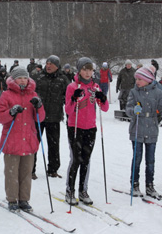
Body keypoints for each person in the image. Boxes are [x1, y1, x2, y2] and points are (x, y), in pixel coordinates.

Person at [0, 66, 45, 212]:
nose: (23, 80)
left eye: (25, 77)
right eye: (20, 78)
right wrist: (10, 112)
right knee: (12, 172)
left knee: (26, 172)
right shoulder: (6, 95)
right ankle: (12, 199)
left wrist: (39, 106)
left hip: (29, 140)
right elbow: (0, 117)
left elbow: (40, 118)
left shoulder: (33, 94)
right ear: (14, 79)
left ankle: (24, 199)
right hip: (12, 139)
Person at [125, 66, 162, 200]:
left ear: (148, 79)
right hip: (137, 129)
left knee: (150, 160)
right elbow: (128, 108)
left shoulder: (158, 93)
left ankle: (149, 185)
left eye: (140, 79)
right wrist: (133, 110)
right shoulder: (134, 92)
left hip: (152, 129)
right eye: (136, 79)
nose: (137, 82)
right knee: (137, 159)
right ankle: (134, 184)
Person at [64, 57, 109, 205]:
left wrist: (102, 98)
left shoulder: (95, 86)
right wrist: (74, 97)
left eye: (90, 70)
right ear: (79, 70)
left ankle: (83, 190)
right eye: (85, 69)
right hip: (75, 127)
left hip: (90, 128)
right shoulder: (72, 86)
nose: (88, 73)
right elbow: (69, 110)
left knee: (86, 160)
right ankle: (70, 190)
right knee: (76, 159)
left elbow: (105, 108)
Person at [32, 55, 70, 179]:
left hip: (54, 116)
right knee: (34, 143)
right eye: (47, 63)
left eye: (51, 64)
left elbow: (69, 97)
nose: (48, 66)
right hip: (38, 116)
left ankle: (53, 169)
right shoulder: (38, 77)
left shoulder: (63, 79)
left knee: (54, 144)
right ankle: (30, 169)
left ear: (57, 66)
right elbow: (30, 93)